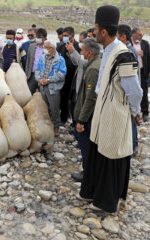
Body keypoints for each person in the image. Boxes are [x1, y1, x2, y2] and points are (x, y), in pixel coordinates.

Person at [80, 5, 143, 213]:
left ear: (104, 32)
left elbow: (134, 92)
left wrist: (135, 112)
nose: (94, 32)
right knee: (98, 152)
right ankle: (94, 194)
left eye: (96, 29)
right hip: (101, 112)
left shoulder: (123, 55)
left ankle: (107, 203)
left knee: (111, 155)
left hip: (115, 114)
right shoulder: (107, 50)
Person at [68, 38, 101, 182]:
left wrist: (81, 120)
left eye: (82, 50)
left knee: (86, 146)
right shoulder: (95, 63)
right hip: (91, 116)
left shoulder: (93, 69)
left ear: (90, 52)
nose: (81, 53)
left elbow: (90, 98)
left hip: (88, 117)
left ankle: (88, 174)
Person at [35, 40, 66, 136]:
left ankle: (56, 127)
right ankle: (47, 127)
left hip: (53, 88)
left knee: (54, 109)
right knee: (45, 108)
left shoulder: (60, 60)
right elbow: (37, 70)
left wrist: (48, 80)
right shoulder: (43, 58)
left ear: (52, 49)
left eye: (47, 47)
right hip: (42, 87)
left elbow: (62, 74)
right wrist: (39, 79)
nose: (45, 49)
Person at [117, 24, 140, 155]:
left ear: (123, 37)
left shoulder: (129, 52)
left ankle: (133, 146)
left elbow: (133, 80)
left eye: (117, 36)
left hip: (129, 92)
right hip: (129, 92)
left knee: (132, 119)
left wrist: (135, 107)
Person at [57, 26, 81, 123]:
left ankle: (75, 121)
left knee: (74, 100)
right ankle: (63, 118)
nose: (64, 38)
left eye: (66, 36)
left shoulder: (79, 47)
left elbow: (80, 61)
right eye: (64, 36)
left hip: (75, 77)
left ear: (73, 35)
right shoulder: (60, 47)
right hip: (64, 77)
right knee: (63, 98)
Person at [131, 27, 150, 122]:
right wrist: (135, 53)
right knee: (132, 91)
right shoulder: (129, 44)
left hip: (142, 71)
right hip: (131, 71)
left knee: (144, 91)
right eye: (139, 34)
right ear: (133, 35)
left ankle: (145, 112)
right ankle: (133, 112)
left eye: (142, 34)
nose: (141, 36)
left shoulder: (145, 43)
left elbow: (149, 57)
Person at [25, 28, 47, 94]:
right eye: (37, 37)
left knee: (42, 95)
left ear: (45, 38)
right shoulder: (31, 47)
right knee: (30, 94)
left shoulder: (48, 48)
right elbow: (28, 62)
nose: (38, 39)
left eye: (40, 37)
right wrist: (27, 75)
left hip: (42, 76)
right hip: (32, 75)